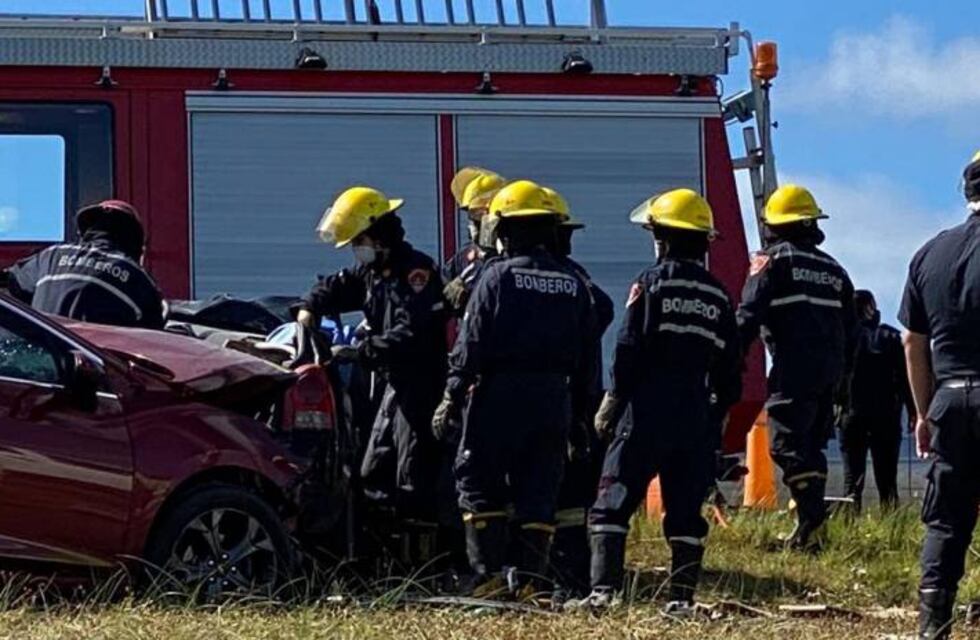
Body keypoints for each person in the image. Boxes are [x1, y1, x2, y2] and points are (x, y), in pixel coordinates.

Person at [578, 189, 741, 612]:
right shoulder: (719, 296)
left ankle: (604, 593)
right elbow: (731, 365)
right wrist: (718, 414)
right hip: (695, 411)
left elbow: (630, 346)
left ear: (664, 238)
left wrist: (613, 401)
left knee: (612, 499)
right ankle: (681, 600)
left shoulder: (650, 284)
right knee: (686, 508)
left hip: (646, 407)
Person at [432, 179, 596, 598]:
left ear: (503, 230)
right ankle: (531, 582)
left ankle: (487, 578)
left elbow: (471, 342)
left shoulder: (496, 277)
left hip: (499, 397)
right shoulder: (573, 282)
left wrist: (452, 394)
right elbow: (588, 356)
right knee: (539, 486)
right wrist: (580, 416)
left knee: (478, 481)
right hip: (553, 399)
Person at [296, 185, 448, 563]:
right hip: (392, 386)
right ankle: (379, 563)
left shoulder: (416, 273)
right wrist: (308, 308)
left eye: (359, 240)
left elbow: (410, 332)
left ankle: (423, 569)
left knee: (413, 476)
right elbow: (336, 286)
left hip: (421, 387)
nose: (356, 248)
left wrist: (360, 352)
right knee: (373, 470)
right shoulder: (372, 271)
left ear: (379, 235)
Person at [737, 184, 856, 552]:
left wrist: (725, 358)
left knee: (786, 444)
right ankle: (811, 529)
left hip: (793, 368)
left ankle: (811, 519)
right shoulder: (835, 270)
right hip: (831, 373)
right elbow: (853, 332)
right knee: (811, 447)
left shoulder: (773, 261)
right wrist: (844, 384)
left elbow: (748, 313)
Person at [900, 151, 980, 639]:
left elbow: (912, 340)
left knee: (946, 519)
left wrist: (922, 411)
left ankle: (934, 626)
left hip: (948, 397)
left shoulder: (931, 252)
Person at [543, 187, 615, 597]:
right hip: (578, 394)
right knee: (567, 496)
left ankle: (563, 579)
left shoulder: (567, 276)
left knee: (565, 495)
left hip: (569, 396)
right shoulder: (573, 277)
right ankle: (567, 577)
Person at [1, 200, 164, 329]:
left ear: (88, 230)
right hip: (92, 368)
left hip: (43, 363)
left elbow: (12, 283)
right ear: (134, 242)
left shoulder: (52, 256)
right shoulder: (140, 280)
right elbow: (151, 342)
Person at [838, 289, 913, 510]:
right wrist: (914, 411)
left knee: (851, 479)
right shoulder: (891, 338)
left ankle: (848, 525)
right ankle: (891, 526)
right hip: (886, 416)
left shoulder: (843, 338)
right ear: (872, 308)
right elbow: (905, 379)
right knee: (887, 480)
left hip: (850, 415)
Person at [443, 168, 507, 316]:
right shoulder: (466, 255)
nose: (474, 222)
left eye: (480, 214)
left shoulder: (514, 254)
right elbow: (438, 293)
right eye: (471, 214)